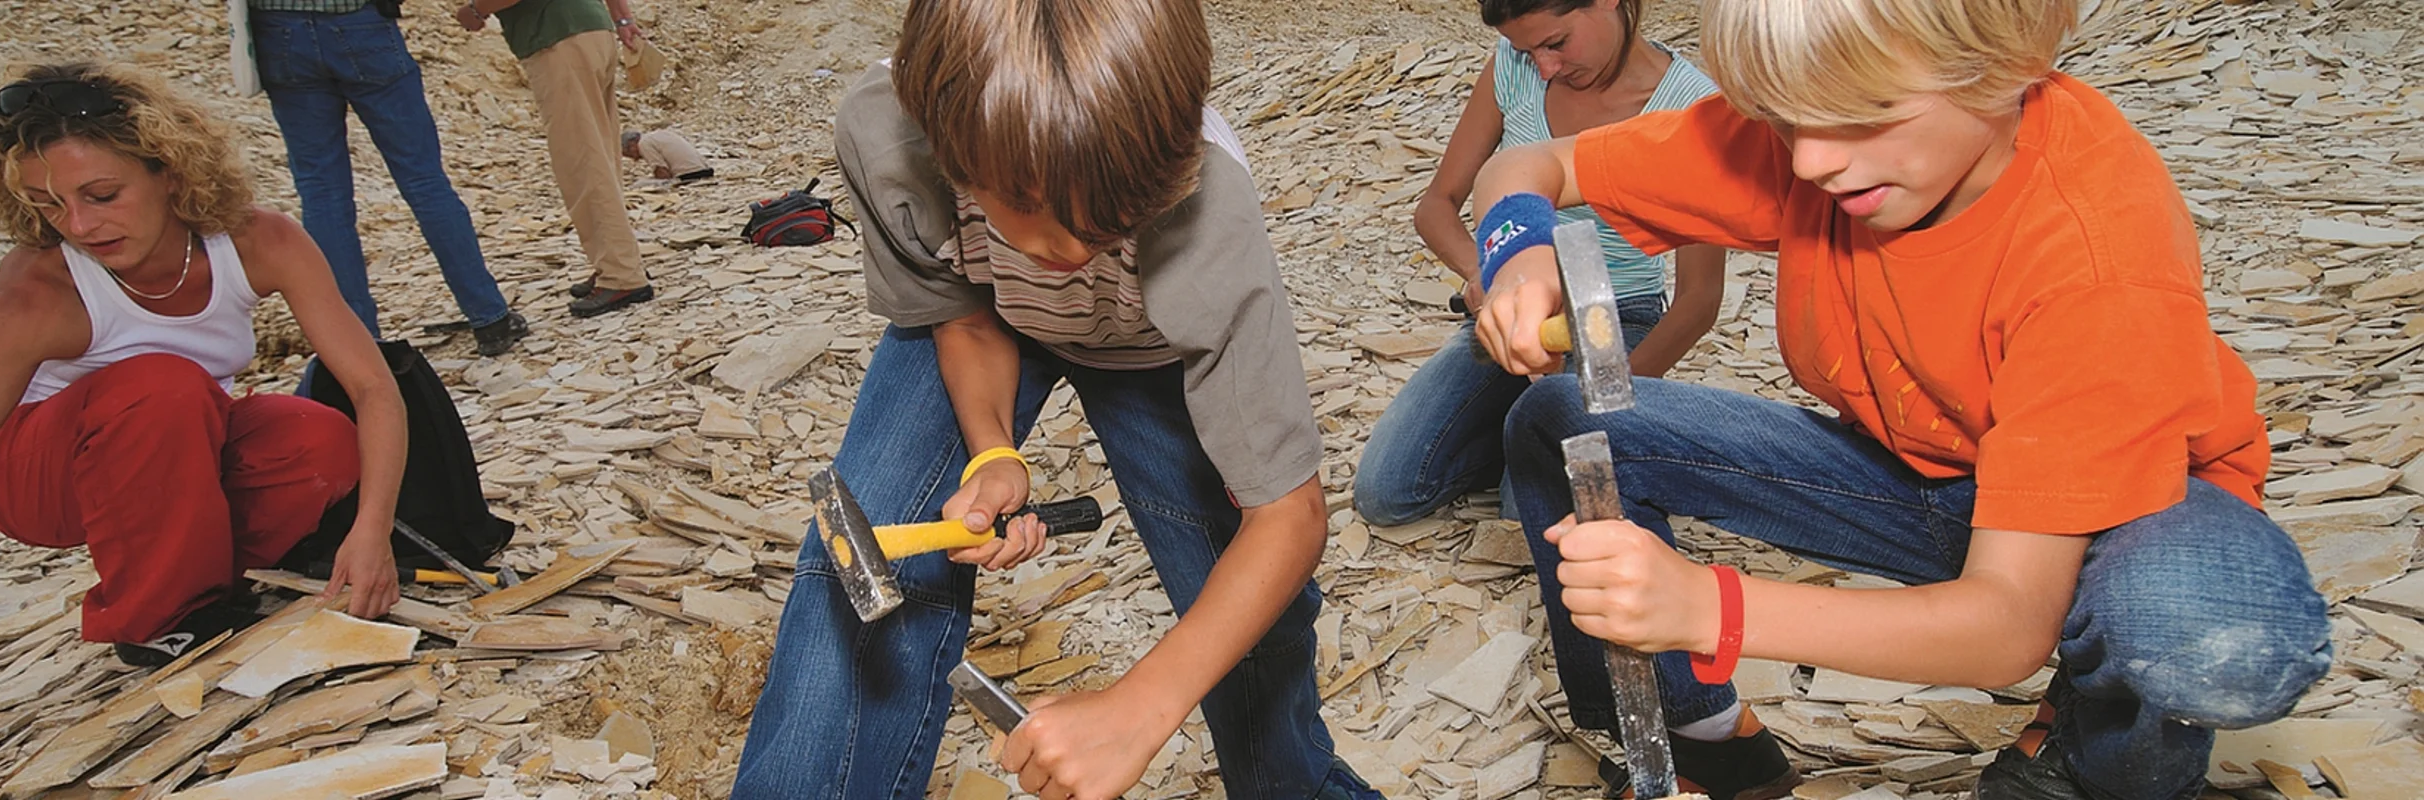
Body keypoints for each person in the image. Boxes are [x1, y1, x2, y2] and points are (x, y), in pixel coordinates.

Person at [1466, 0, 2331, 798]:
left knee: (2215, 637)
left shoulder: (2096, 263)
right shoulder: (1829, 125)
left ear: (1997, 65)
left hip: (2128, 516)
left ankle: (2085, 760)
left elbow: (2005, 628)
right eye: (1787, 118)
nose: (1811, 159)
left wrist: (1709, 608)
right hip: (1929, 469)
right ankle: (1707, 735)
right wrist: (1521, 246)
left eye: (1855, 115)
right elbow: (1529, 161)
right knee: (1559, 417)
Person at [729, 1, 1379, 798]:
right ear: (950, 148)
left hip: (1153, 345)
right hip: (983, 316)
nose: (1069, 252)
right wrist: (994, 452)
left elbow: (1288, 517)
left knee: (1243, 608)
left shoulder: (1209, 214)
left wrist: (1140, 707)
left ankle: (1296, 787)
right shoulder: (886, 135)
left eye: (1108, 225)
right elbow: (958, 311)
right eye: (1031, 210)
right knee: (854, 567)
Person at [0, 63, 409, 666]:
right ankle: (158, 617)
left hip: (164, 445)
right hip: (27, 471)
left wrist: (372, 532)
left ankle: (206, 584)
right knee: (163, 384)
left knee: (317, 440)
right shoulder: (42, 292)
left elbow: (372, 387)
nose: (79, 225)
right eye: (48, 204)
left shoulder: (260, 242)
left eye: (102, 195)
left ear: (170, 169)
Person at [1355, 0, 1727, 528]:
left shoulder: (1691, 107)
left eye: (1555, 43)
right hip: (1514, 302)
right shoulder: (1513, 67)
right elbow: (1436, 206)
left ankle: (1549, 441)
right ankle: (1522, 432)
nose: (1545, 66)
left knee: (1529, 519)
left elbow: (1698, 300)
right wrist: (1486, 275)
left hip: (1615, 317)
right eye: (1527, 50)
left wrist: (1610, 399)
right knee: (1387, 492)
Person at [249, 0, 531, 355]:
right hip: (359, 23)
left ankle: (358, 341)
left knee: (321, 191)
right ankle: (488, 316)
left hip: (278, 29)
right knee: (424, 179)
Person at [455, 0, 655, 318]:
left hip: (558, 39)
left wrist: (477, 11)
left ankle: (621, 274)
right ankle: (617, 261)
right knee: (601, 155)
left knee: (582, 160)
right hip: (592, 30)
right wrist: (622, 19)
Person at [620, 128, 712, 183]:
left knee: (639, 184)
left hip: (690, 175)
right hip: (706, 170)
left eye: (630, 154)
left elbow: (663, 174)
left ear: (632, 145)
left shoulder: (643, 144)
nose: (634, 159)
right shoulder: (659, 134)